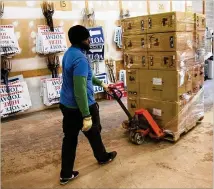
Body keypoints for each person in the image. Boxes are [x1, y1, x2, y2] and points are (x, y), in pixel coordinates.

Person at [59, 25, 117, 185]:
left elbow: (87, 77)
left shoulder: (70, 53)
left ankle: (66, 174)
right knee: (94, 132)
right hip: (81, 106)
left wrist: (102, 84)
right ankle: (103, 157)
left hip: (66, 104)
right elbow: (80, 90)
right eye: (87, 38)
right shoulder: (81, 59)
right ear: (82, 40)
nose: (90, 40)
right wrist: (86, 115)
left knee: (70, 139)